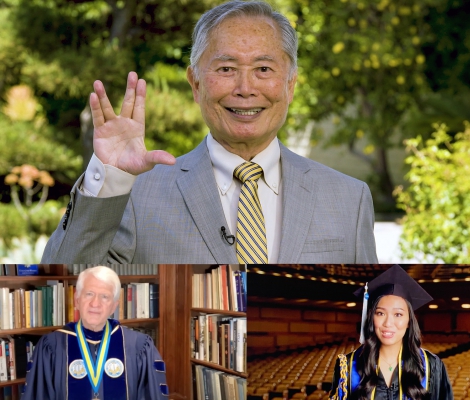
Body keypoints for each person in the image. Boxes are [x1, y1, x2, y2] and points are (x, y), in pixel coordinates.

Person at [41, 0, 377, 264]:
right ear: (195, 83)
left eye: (263, 69)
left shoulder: (350, 198)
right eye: (227, 69)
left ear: (290, 85)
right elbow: (65, 279)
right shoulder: (135, 195)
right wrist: (110, 177)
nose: (245, 88)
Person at [22, 266, 168, 400]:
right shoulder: (51, 346)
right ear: (77, 301)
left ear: (113, 306)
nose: (95, 304)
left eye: (105, 297)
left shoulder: (139, 346)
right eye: (89, 294)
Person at [330, 265, 453, 400]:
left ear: (409, 322)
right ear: (371, 318)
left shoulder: (431, 366)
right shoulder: (348, 365)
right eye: (380, 313)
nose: (388, 323)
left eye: (398, 314)